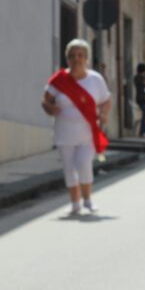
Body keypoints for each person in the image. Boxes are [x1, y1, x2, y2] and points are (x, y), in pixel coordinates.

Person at [41, 39, 111, 215]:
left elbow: (106, 100)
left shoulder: (95, 79)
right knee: (69, 167)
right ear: (67, 59)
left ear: (86, 58)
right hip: (64, 132)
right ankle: (74, 203)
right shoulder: (59, 80)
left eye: (80, 55)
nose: (76, 59)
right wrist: (50, 108)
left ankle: (87, 200)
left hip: (87, 131)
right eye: (72, 56)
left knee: (83, 163)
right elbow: (45, 100)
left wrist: (104, 114)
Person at [133, 63, 145, 137]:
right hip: (143, 99)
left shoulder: (137, 77)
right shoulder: (140, 78)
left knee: (144, 116)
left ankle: (144, 131)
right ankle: (143, 131)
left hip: (141, 99)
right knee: (144, 116)